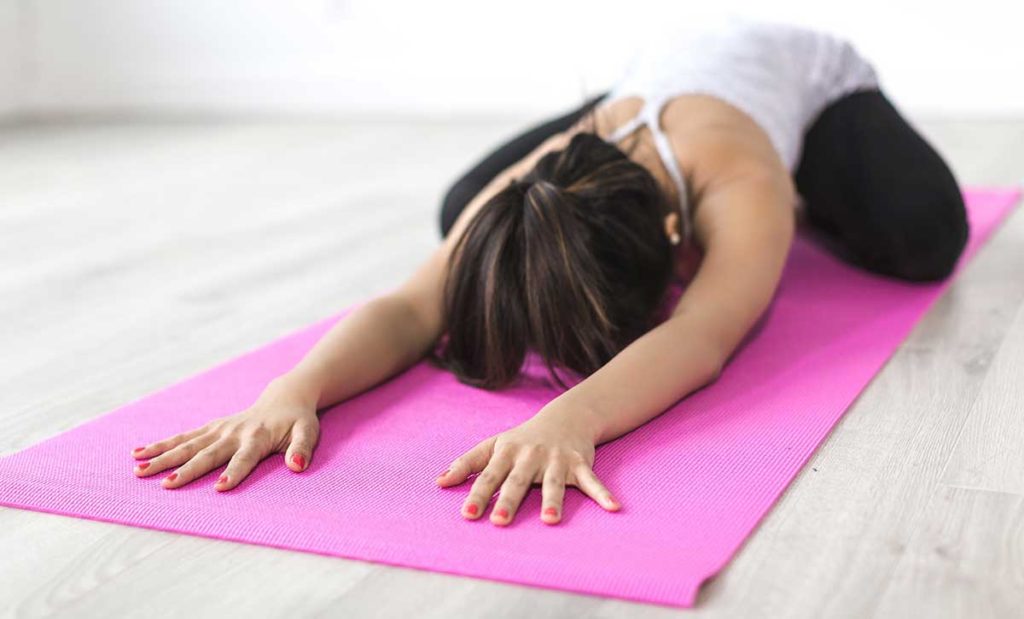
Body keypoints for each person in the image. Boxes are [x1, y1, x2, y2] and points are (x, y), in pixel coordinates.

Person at [129, 16, 969, 527]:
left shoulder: (741, 183)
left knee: (928, 237)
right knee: (468, 210)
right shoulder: (541, 175)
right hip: (649, 83)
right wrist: (292, 390)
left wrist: (570, 418)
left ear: (681, 242)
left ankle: (820, 191)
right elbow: (411, 306)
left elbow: (704, 334)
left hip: (805, 83)